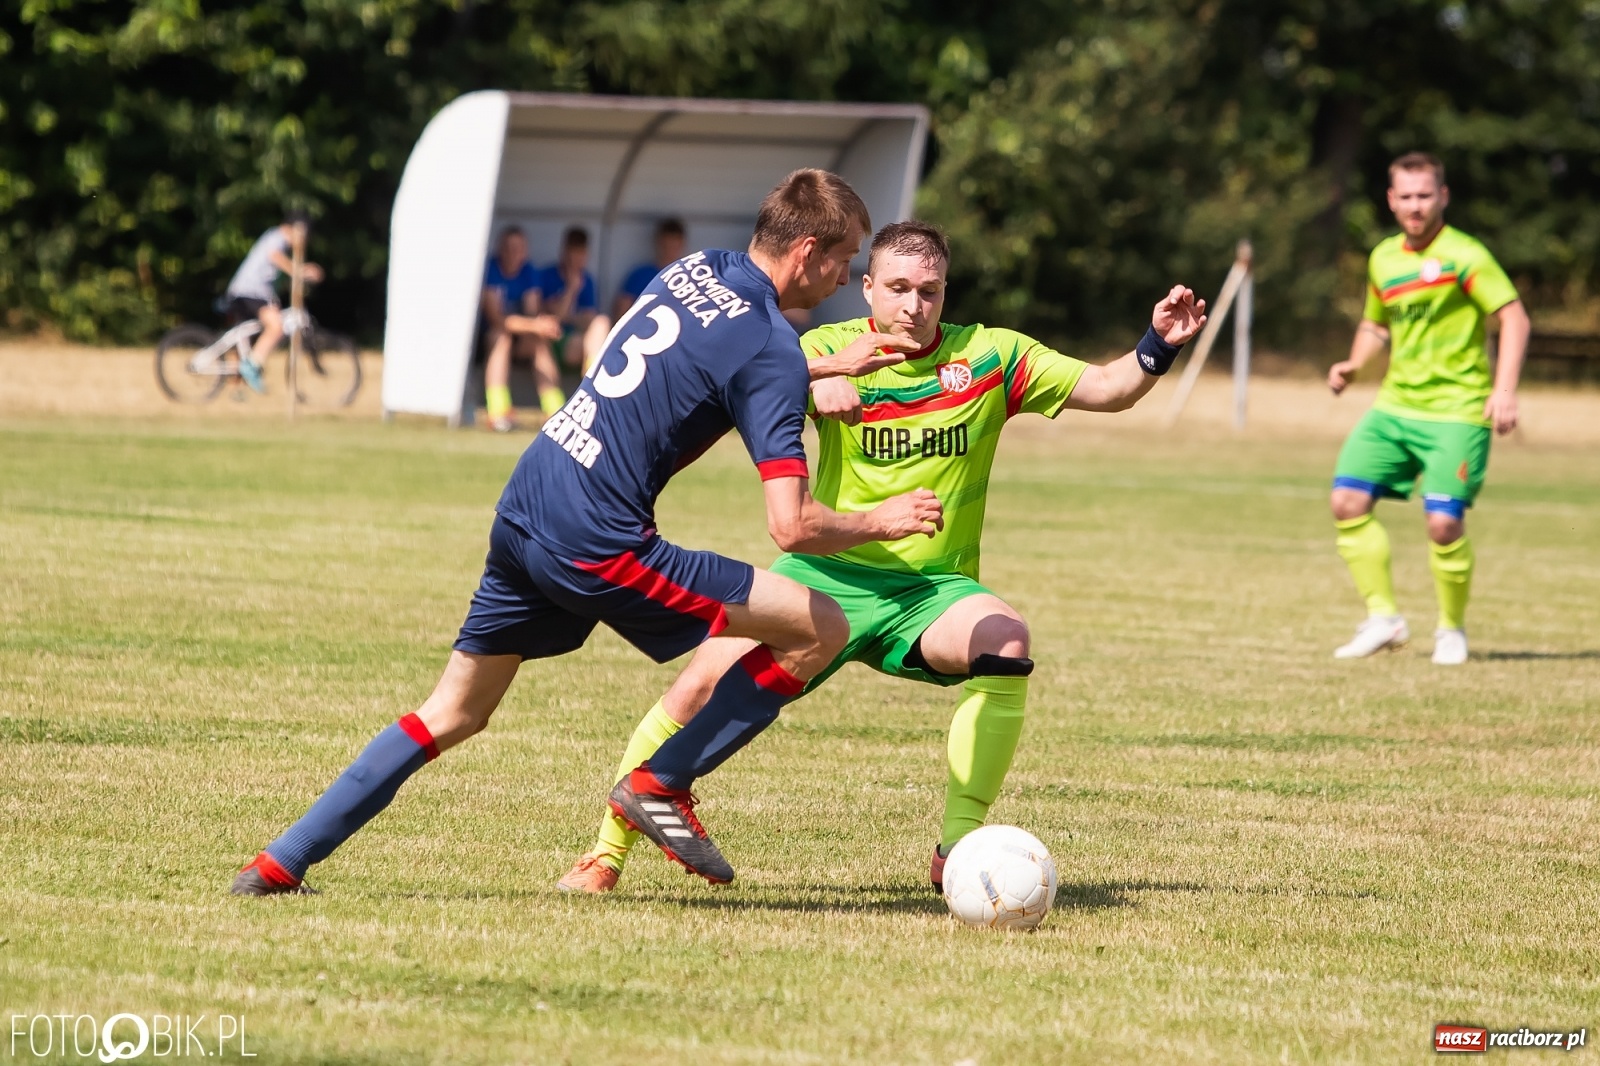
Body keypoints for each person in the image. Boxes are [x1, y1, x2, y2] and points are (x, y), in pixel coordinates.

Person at [230, 169, 944, 896]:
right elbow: (791, 526)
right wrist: (879, 519)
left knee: (455, 711)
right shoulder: (769, 344)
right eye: (844, 260)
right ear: (808, 251)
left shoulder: (697, 270)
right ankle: (661, 784)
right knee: (821, 625)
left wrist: (813, 365)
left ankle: (278, 863)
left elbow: (701, 362)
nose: (844, 278)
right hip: (599, 542)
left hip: (531, 499)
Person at [558, 220, 1208, 894]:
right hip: (823, 574)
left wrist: (1158, 342)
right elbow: (742, 387)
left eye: (929, 291)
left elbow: (1108, 388)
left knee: (1006, 640)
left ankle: (957, 849)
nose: (913, 305)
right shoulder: (826, 347)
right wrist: (809, 384)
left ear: (945, 293)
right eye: (897, 288)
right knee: (698, 683)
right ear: (867, 287)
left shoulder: (991, 357)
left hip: (931, 591)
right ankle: (604, 856)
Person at [1326, 151, 1529, 665]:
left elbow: (1514, 318)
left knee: (1442, 524)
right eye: (1406, 196)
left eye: (1424, 195)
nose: (1415, 205)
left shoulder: (1466, 255)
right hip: (1395, 405)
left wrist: (1504, 390)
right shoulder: (1383, 258)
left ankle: (1450, 630)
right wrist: (1354, 365)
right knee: (1346, 501)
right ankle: (1383, 620)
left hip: (1457, 409)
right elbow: (1375, 324)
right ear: (1391, 200)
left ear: (1443, 196)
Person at [224, 210, 322, 394]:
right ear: (297, 229)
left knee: (248, 341)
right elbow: (274, 256)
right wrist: (299, 271)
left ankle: (238, 387)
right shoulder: (277, 237)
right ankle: (251, 366)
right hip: (250, 292)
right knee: (276, 327)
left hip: (249, 292)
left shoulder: (275, 238)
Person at [482, 226, 563, 431]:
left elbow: (531, 311)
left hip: (520, 340)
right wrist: (535, 325)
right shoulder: (491, 270)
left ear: (525, 252)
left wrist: (542, 326)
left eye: (518, 249)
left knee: (539, 341)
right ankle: (498, 411)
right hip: (487, 340)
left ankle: (554, 410)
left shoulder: (529, 272)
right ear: (500, 249)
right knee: (501, 337)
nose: (513, 254)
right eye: (509, 248)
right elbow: (496, 319)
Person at [535, 226, 611, 378]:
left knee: (602, 322)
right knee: (584, 340)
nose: (577, 258)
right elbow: (556, 318)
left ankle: (591, 377)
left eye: (582, 253)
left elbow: (590, 318)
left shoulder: (587, 280)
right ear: (565, 251)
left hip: (577, 341)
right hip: (551, 342)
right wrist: (571, 289)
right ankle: (591, 379)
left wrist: (569, 316)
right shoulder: (547, 275)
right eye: (574, 252)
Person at [614, 219, 687, 320]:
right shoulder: (640, 276)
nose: (669, 251)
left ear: (682, 245)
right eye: (666, 246)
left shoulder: (691, 278)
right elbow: (622, 311)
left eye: (674, 246)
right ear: (658, 243)